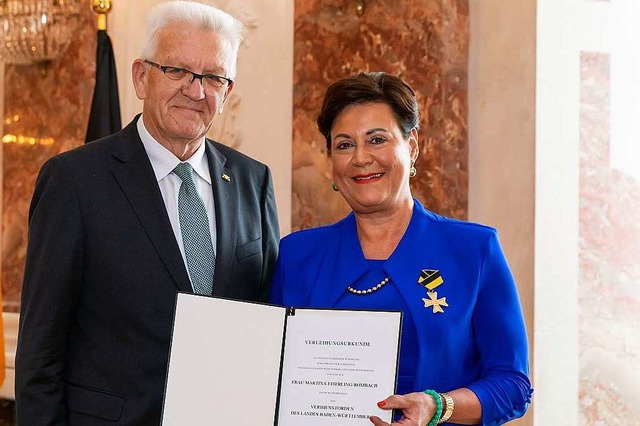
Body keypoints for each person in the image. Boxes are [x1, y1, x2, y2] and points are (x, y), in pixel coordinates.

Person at [15, 2, 279, 425]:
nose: (195, 91)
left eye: (213, 77)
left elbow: (265, 320)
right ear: (141, 76)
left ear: (227, 92)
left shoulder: (253, 181)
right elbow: (41, 351)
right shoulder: (74, 182)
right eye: (177, 71)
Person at [270, 72, 532, 426]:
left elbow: (513, 386)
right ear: (330, 161)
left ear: (412, 147)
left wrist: (438, 406)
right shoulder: (297, 255)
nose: (361, 158)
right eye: (344, 144)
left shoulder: (474, 250)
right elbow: (270, 375)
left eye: (377, 139)